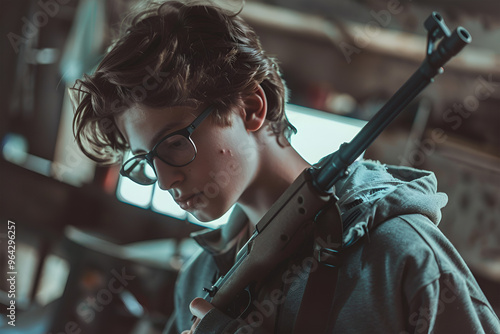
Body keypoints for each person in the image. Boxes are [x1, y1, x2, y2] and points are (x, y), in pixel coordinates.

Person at [71, 1, 500, 333]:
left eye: (174, 144)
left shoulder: (399, 254)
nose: (165, 180)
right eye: (145, 161)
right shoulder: (203, 278)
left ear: (252, 108)